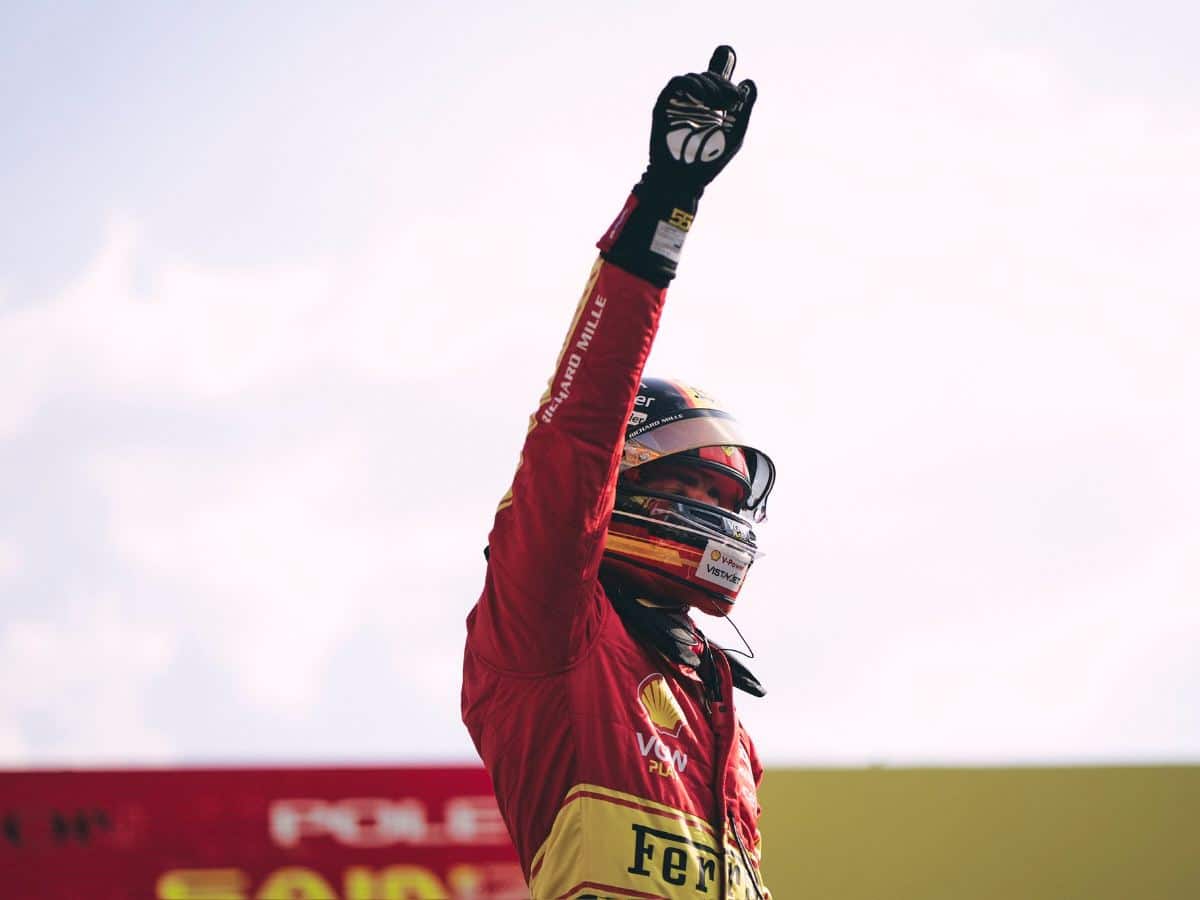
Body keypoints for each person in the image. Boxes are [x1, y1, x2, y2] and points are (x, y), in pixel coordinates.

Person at [462, 45, 775, 899]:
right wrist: (668, 207)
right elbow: (576, 435)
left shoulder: (727, 716)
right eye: (690, 487)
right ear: (624, 486)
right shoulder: (548, 631)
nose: (715, 516)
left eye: (727, 500)